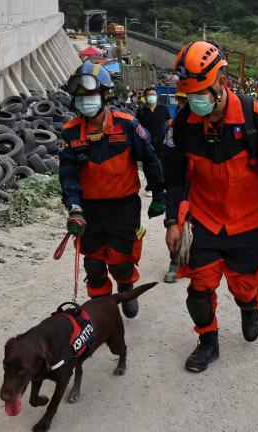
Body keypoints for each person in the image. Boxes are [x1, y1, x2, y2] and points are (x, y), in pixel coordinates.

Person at [163, 41, 258, 372]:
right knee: (198, 290)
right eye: (189, 95)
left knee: (244, 284)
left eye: (201, 92)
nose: (195, 101)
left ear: (221, 81)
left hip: (249, 222)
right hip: (205, 220)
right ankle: (208, 342)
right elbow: (175, 178)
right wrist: (173, 222)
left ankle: (249, 305)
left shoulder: (257, 118)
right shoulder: (184, 125)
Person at [58, 61, 166, 318]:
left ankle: (126, 287)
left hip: (124, 206)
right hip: (90, 208)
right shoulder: (70, 133)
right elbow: (68, 175)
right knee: (93, 264)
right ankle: (102, 308)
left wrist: (158, 193)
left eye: (91, 95)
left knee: (121, 261)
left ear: (106, 94)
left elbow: (150, 160)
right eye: (80, 97)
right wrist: (74, 207)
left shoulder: (127, 126)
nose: (85, 101)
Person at [162, 91, 187, 284]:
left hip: (207, 182)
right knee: (177, 221)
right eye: (183, 100)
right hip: (180, 180)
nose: (185, 104)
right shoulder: (174, 128)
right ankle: (174, 260)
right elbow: (169, 159)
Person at [136, 87, 172, 197]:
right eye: (149, 94)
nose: (152, 96)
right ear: (146, 97)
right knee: (148, 165)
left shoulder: (163, 108)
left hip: (161, 140)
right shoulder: (141, 110)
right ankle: (150, 186)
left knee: (162, 164)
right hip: (147, 142)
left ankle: (163, 186)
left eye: (154, 94)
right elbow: (138, 126)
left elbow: (169, 122)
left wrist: (169, 134)